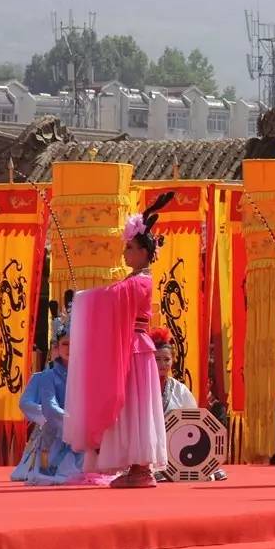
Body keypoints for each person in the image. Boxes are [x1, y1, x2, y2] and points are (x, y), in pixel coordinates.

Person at [64, 193, 174, 488]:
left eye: (130, 248)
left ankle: (140, 469)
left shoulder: (140, 282)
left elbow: (111, 299)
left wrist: (84, 300)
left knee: (134, 407)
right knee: (131, 408)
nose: (125, 253)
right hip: (135, 349)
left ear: (143, 252)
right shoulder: (134, 279)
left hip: (135, 350)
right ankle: (136, 467)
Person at [151, 328, 227, 482]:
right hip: (149, 451)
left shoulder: (180, 390)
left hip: (176, 449)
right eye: (157, 359)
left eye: (166, 360)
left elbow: (193, 424)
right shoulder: (141, 389)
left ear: (173, 360)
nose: (162, 364)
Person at [12, 327, 86, 485]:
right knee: (53, 467)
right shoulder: (46, 377)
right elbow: (40, 405)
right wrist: (64, 420)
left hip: (80, 430)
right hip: (54, 429)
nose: (69, 349)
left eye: (74, 344)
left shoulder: (85, 375)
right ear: (56, 348)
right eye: (65, 344)